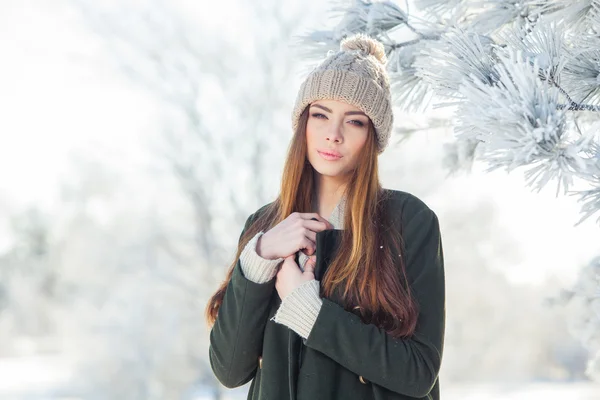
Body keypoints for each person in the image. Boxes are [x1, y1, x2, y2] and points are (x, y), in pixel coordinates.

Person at [205, 33, 445, 400]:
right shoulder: (263, 228)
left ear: (373, 136)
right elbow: (230, 369)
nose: (333, 135)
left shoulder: (408, 221)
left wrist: (309, 310)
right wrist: (260, 257)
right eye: (320, 115)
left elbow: (418, 372)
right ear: (303, 123)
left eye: (354, 121)